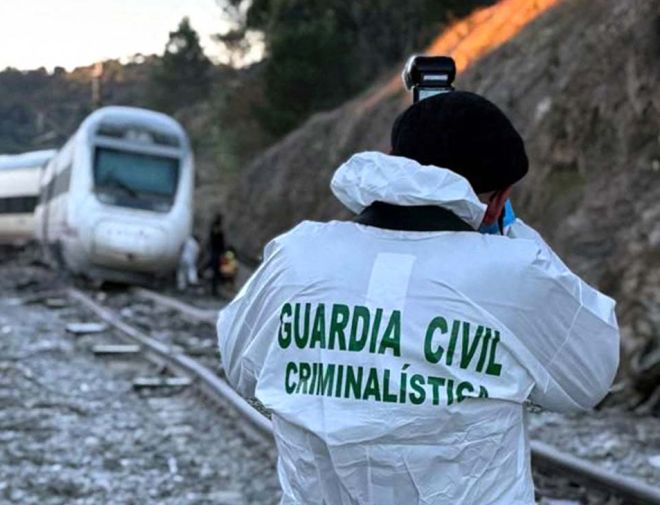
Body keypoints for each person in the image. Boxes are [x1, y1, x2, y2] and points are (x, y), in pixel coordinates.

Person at [216, 91, 619, 505]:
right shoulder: (515, 270)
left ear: (391, 157)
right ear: (499, 199)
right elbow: (590, 377)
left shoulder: (295, 256)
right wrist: (512, 233)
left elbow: (241, 368)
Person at [207, 213, 226, 296]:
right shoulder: (217, 230)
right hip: (216, 252)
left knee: (215, 271)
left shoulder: (214, 229)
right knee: (216, 272)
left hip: (215, 252)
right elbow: (219, 242)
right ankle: (214, 291)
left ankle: (214, 290)